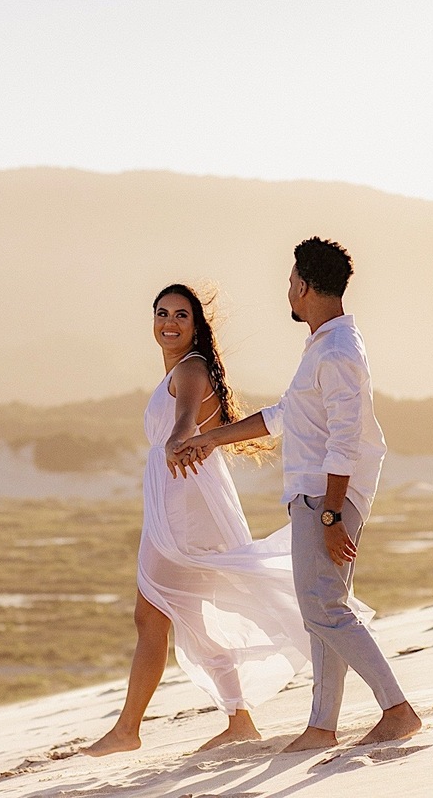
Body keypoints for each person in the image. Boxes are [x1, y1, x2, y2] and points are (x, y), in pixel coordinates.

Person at [177, 237, 423, 752]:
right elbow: (283, 415)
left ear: (306, 286)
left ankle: (397, 711)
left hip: (328, 499)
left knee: (325, 609)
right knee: (320, 613)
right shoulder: (323, 346)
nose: (287, 289)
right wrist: (210, 439)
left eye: (291, 281)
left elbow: (345, 440)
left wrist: (333, 517)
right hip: (317, 498)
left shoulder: (337, 352)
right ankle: (321, 728)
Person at [83, 283, 312, 757]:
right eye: (162, 313)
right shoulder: (183, 367)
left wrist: (177, 439)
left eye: (181, 316)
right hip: (179, 501)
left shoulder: (190, 368)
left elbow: (186, 418)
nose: (169, 323)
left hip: (182, 507)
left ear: (195, 326)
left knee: (151, 615)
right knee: (191, 618)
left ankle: (129, 729)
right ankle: (239, 720)